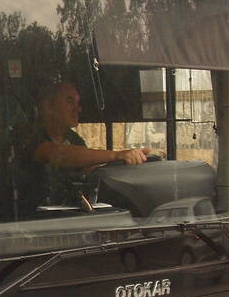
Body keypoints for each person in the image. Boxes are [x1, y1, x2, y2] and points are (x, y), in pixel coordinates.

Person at [14, 81, 152, 212]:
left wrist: (125, 167)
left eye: (78, 103)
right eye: (70, 101)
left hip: (71, 216)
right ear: (48, 106)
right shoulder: (26, 134)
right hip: (28, 219)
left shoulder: (73, 139)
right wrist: (116, 155)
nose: (78, 109)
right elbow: (58, 155)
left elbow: (88, 169)